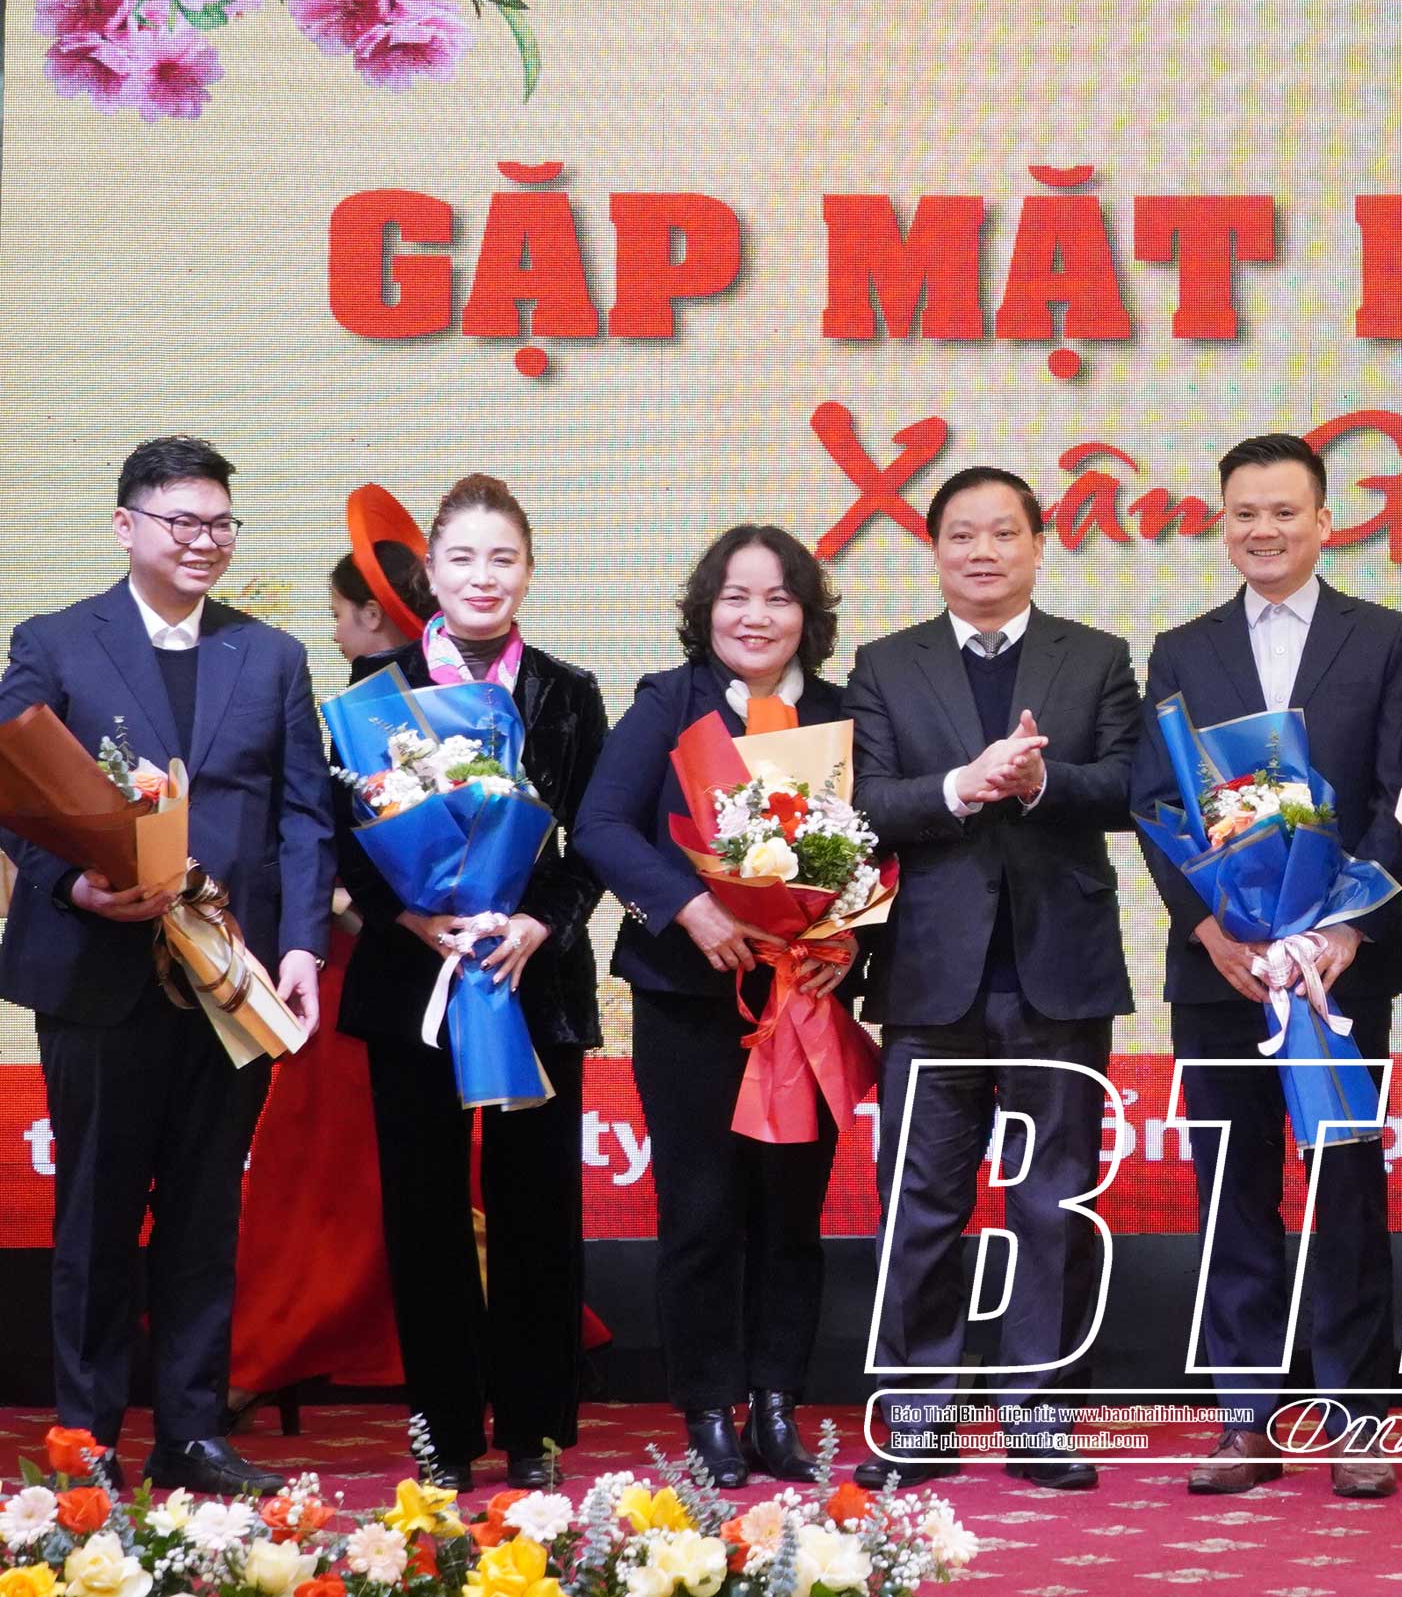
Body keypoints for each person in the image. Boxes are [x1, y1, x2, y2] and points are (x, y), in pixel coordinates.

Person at [0, 435, 338, 1496]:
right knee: (96, 1211)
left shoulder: (271, 655)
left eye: (219, 523)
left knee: (204, 1212)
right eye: (181, 520)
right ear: (126, 526)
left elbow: (303, 815)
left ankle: (191, 1430)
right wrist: (73, 885)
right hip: (98, 973)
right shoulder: (54, 641)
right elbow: (12, 789)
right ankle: (87, 1438)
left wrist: (301, 944)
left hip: (229, 979)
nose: (204, 540)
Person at [1133, 432, 1402, 1502]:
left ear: (1324, 521)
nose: (1264, 529)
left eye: (1285, 511)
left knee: (1348, 1188)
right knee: (1233, 1190)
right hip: (1224, 969)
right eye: (1245, 512)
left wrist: (1347, 927)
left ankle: (1358, 1415)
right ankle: (1246, 1416)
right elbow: (1152, 799)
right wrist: (1211, 929)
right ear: (1224, 523)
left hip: (1341, 976)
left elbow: (1399, 794)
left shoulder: (1385, 637)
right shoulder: (1182, 647)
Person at [846, 467, 1141, 1492]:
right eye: (962, 534)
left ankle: (1040, 1417)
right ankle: (917, 1415)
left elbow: (1134, 786)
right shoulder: (885, 663)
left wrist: (1045, 778)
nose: (983, 551)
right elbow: (865, 801)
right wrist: (958, 787)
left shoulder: (1095, 656)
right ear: (934, 550)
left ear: (1038, 545)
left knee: (1053, 1201)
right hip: (931, 974)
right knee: (920, 1199)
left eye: (1004, 533)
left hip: (1058, 968)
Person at [339, 473, 609, 1491]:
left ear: (528, 570)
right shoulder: (376, 694)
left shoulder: (568, 692)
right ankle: (444, 1430)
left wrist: (541, 921)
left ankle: (535, 1426)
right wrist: (408, 914)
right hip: (418, 978)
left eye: (503, 557)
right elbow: (344, 839)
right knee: (424, 1208)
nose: (482, 576)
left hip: (530, 976)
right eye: (462, 557)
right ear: (431, 570)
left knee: (537, 1203)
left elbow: (597, 839)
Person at [573, 525, 854, 1486]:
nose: (756, 616)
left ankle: (777, 1404)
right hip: (690, 999)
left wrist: (850, 938)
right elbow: (600, 824)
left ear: (807, 614)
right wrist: (688, 906)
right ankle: (708, 1409)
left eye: (778, 597)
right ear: (706, 609)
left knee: (790, 1212)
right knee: (700, 1209)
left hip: (800, 999)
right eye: (736, 596)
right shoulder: (669, 701)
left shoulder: (841, 714)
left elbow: (878, 846)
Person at [224, 513, 437, 1421]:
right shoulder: (439, 693)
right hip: (411, 966)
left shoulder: (364, 706)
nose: (335, 629)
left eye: (340, 613)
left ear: (372, 615)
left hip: (355, 973)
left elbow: (329, 846)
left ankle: (270, 1347)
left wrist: (354, 909)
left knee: (317, 1176)